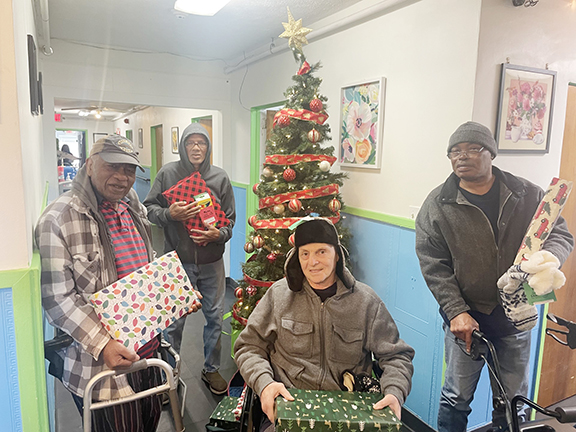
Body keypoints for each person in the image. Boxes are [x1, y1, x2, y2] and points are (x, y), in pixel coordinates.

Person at [415, 121, 574, 432]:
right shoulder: (438, 205)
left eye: (472, 149)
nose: (461, 157)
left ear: (491, 154)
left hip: (516, 318)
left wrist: (547, 260)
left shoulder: (527, 194)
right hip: (466, 324)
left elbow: (560, 234)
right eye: (454, 152)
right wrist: (456, 311)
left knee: (514, 401)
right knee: (456, 398)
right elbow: (432, 262)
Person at [36, 134, 200, 431]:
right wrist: (103, 344)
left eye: (129, 170)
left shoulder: (132, 203)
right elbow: (57, 299)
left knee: (148, 422)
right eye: (112, 166)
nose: (122, 178)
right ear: (89, 165)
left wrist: (175, 298)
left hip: (149, 349)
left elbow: (145, 264)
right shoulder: (58, 219)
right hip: (102, 365)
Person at [234, 218, 415, 429]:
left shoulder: (366, 302)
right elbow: (248, 347)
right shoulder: (278, 295)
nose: (313, 262)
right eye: (305, 254)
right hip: (288, 404)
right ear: (297, 257)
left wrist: (394, 391)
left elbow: (396, 356)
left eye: (321, 252)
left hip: (349, 411)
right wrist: (265, 385)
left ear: (337, 255)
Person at [144, 123, 235, 395]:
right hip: (177, 262)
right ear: (183, 146)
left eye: (202, 143)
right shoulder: (167, 173)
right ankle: (169, 376)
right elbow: (149, 209)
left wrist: (218, 234)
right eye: (190, 143)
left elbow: (229, 220)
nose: (196, 148)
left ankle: (211, 369)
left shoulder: (220, 177)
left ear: (208, 147)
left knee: (215, 318)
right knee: (174, 323)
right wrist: (171, 215)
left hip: (212, 263)